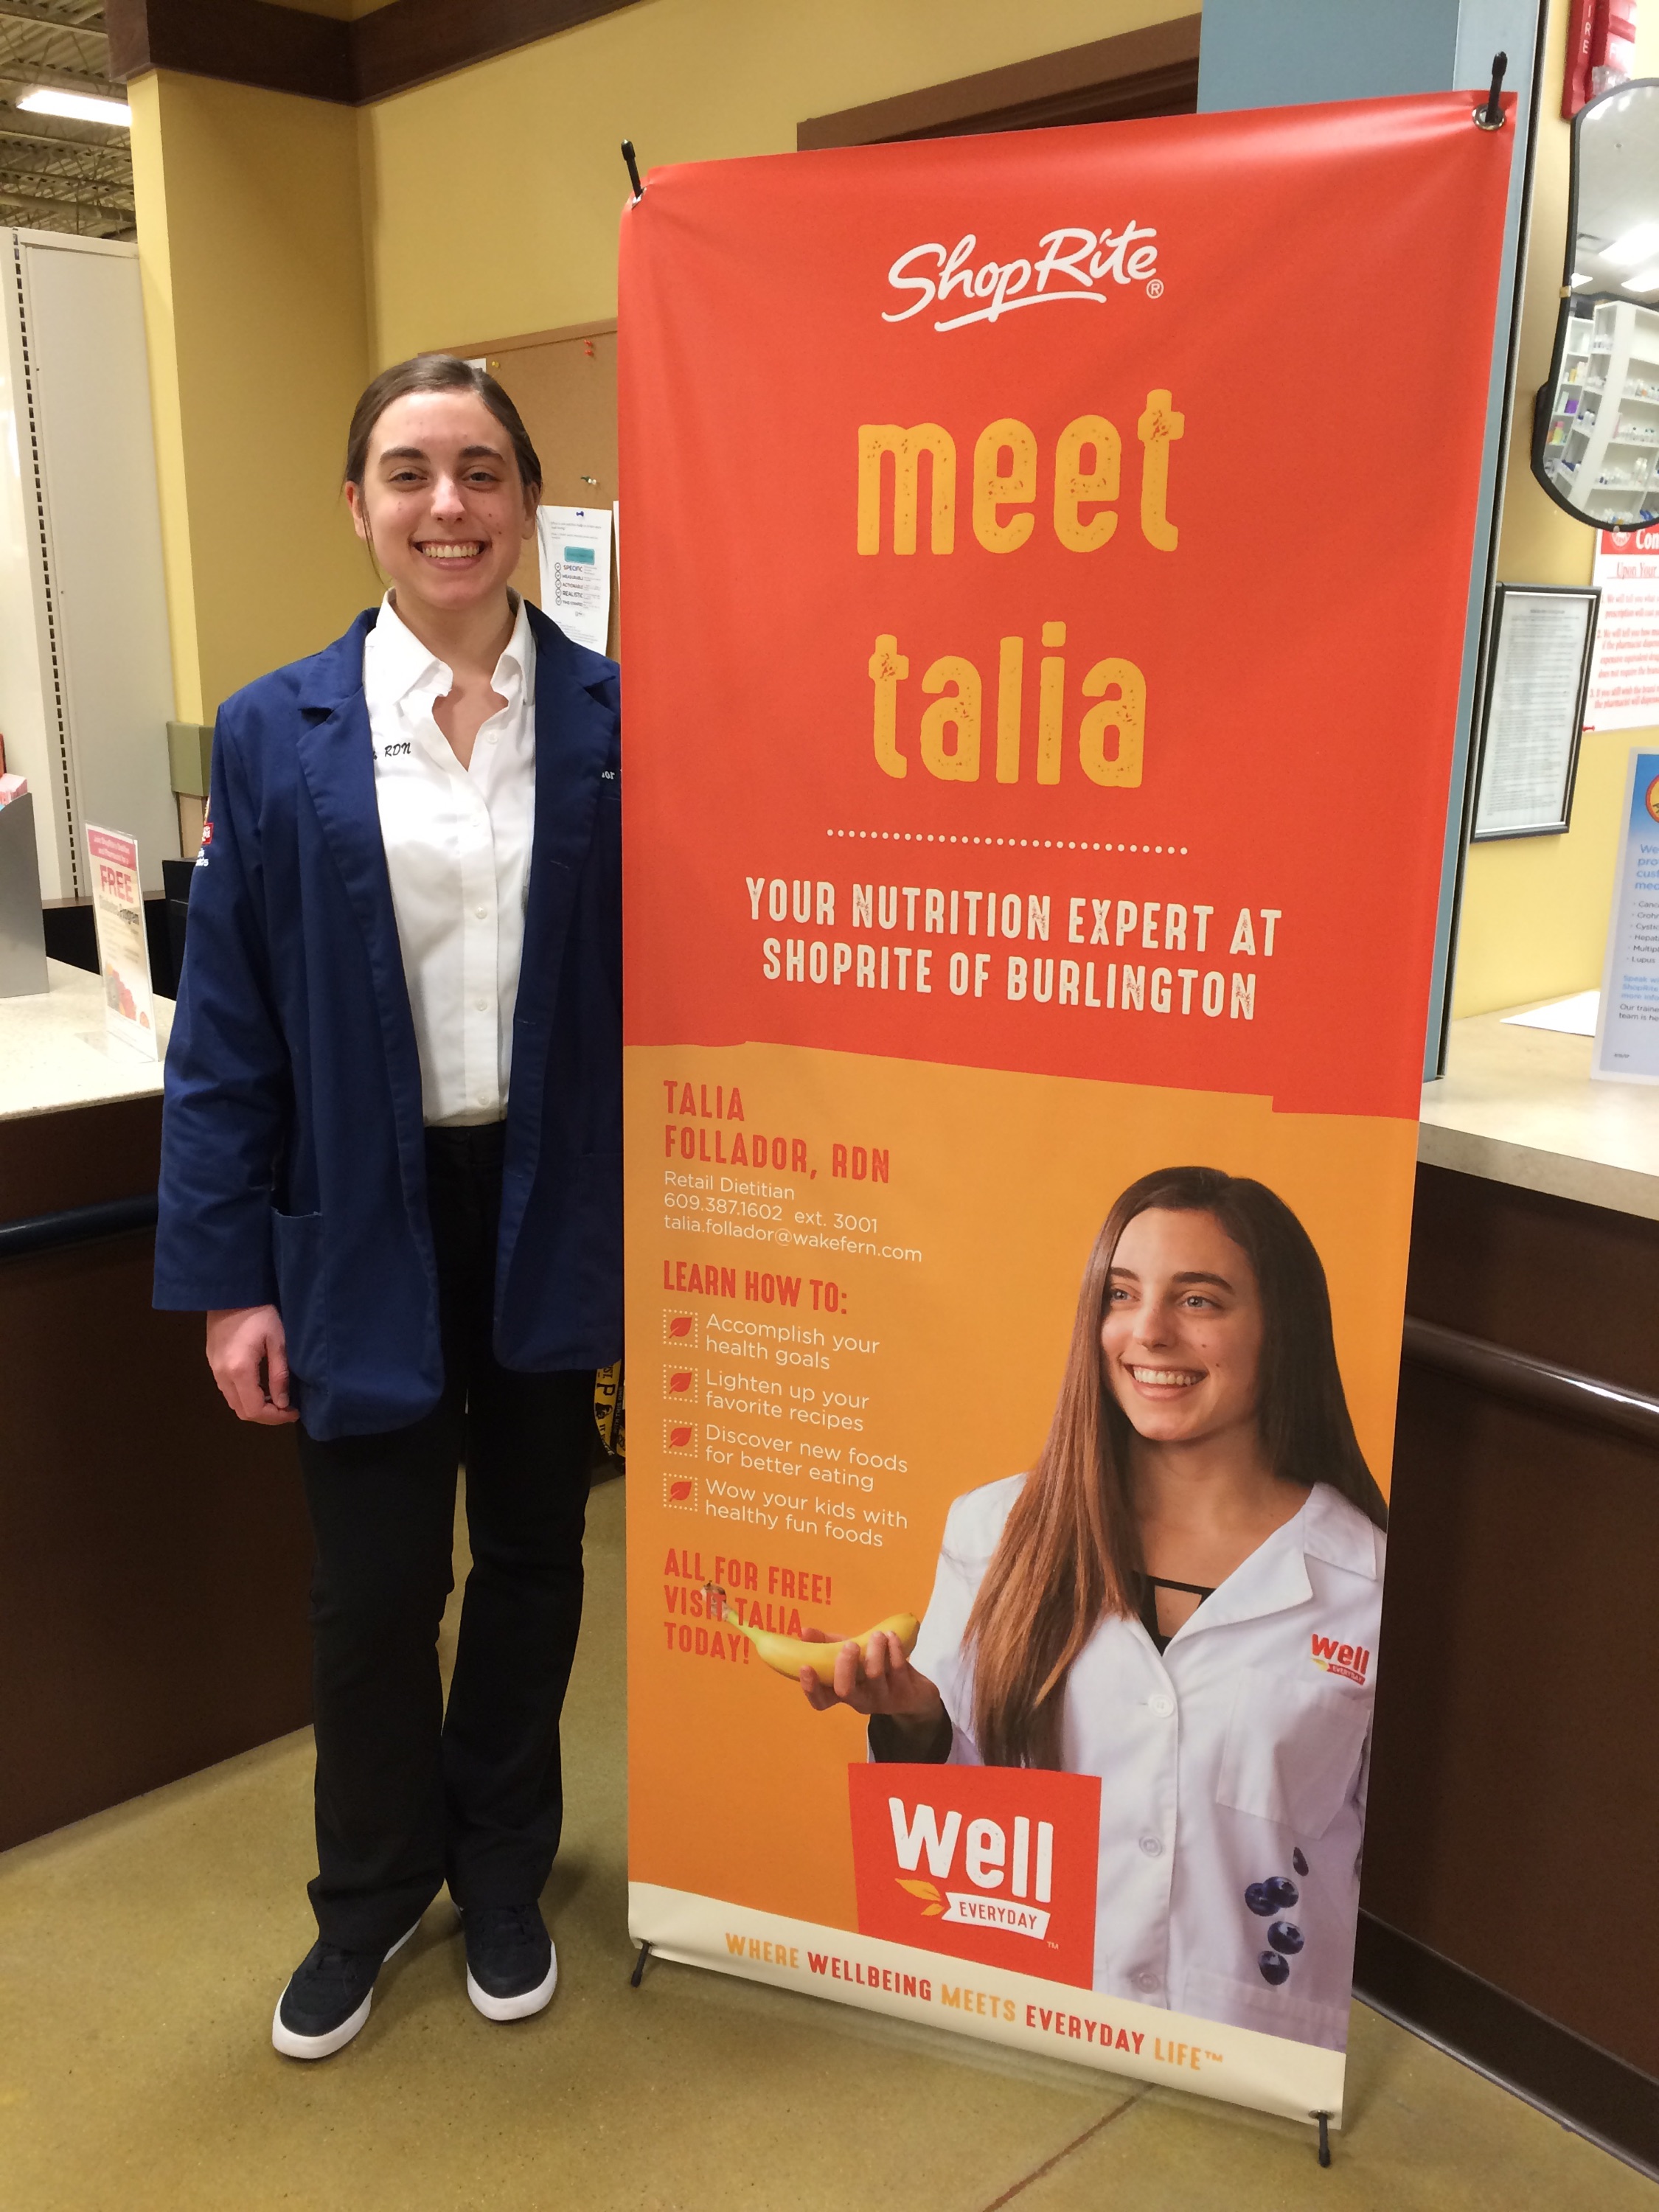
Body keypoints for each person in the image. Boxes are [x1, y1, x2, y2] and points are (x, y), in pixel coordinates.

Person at [154, 354, 621, 2060]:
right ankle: (367, 1891)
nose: (448, 505)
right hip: (356, 1204)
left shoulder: (614, 722)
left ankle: (502, 1863)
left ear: (525, 502)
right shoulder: (276, 732)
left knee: (530, 1552)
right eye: (411, 471)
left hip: (545, 1197)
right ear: (356, 503)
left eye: (481, 470)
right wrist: (227, 1279)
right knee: (367, 1588)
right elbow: (228, 1026)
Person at [802, 1166, 1387, 2051]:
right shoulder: (995, 1531)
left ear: (1282, 1330)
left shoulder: (1368, 1581)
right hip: (1024, 2033)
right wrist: (918, 1724)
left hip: (1257, 2051)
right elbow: (960, 1832)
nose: (1148, 1332)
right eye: (1122, 1294)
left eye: (1200, 1301)